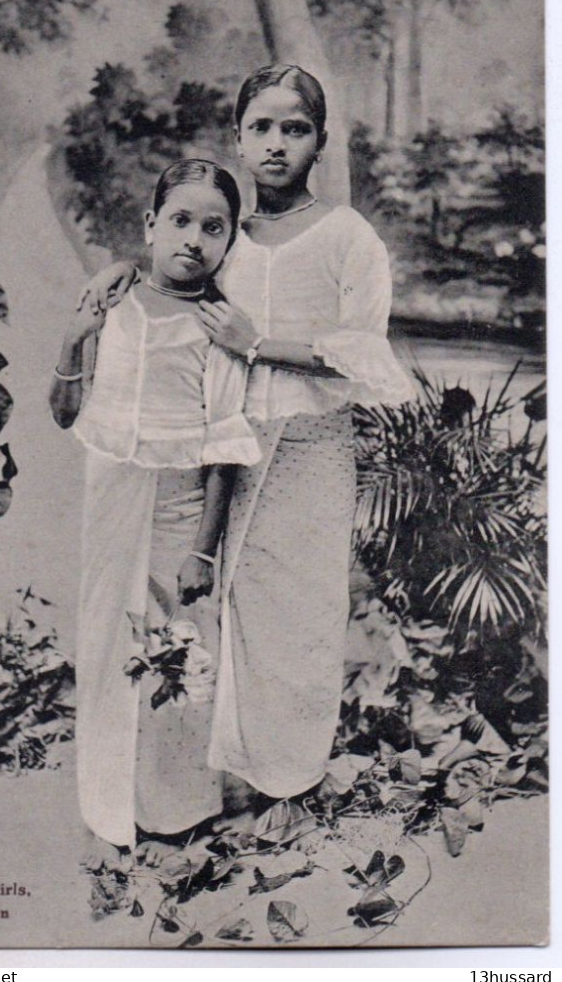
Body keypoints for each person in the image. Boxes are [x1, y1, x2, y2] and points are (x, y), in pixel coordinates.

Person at [80, 64, 413, 821]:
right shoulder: (230, 235)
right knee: (221, 607)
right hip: (228, 446)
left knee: (298, 612)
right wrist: (120, 271)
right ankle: (222, 779)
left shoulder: (345, 236)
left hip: (310, 445)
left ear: (320, 143)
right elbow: (178, 271)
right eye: (260, 128)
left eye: (294, 129)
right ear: (238, 138)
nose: (275, 144)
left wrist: (260, 344)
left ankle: (290, 783)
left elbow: (365, 352)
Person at [50, 159, 260, 868]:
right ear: (149, 226)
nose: (194, 240)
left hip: (180, 506)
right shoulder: (112, 303)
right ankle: (110, 802)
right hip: (113, 497)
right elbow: (64, 412)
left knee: (179, 651)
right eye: (179, 221)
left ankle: (179, 811)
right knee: (110, 644)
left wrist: (203, 549)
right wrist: (76, 336)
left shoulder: (218, 326)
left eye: (214, 227)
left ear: (231, 240)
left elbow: (227, 446)